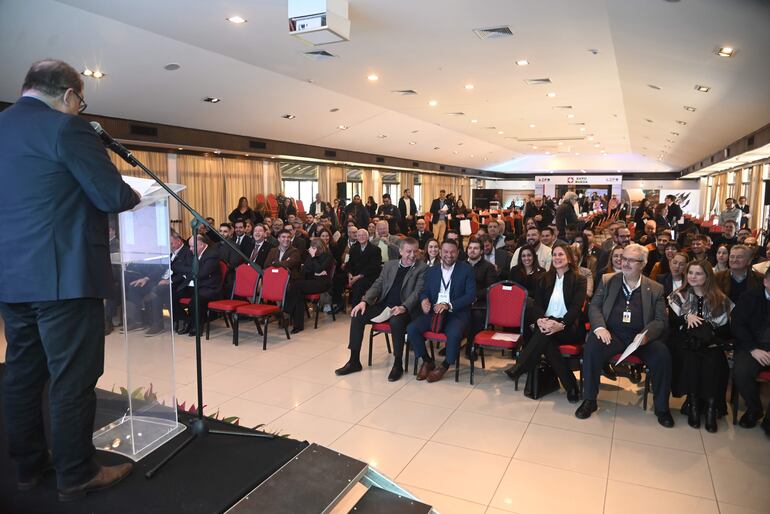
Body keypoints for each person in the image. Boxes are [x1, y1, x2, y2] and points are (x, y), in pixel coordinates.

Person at [0, 59, 140, 499]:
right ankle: (77, 472)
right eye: (80, 100)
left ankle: (28, 466)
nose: (79, 108)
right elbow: (111, 194)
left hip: (10, 276)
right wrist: (136, 192)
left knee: (22, 373)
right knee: (72, 376)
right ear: (68, 95)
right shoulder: (68, 128)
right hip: (65, 277)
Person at [575, 244, 675, 428]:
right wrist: (599, 328)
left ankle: (662, 408)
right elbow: (594, 306)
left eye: (631, 260)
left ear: (643, 264)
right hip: (612, 335)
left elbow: (661, 320)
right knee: (592, 347)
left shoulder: (655, 289)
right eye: (623, 259)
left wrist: (646, 335)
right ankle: (590, 400)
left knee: (662, 355)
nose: (625, 263)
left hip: (641, 338)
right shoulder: (608, 280)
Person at [335, 238, 427, 381]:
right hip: (385, 306)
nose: (412, 255)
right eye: (409, 251)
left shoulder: (422, 268)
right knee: (357, 315)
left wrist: (403, 307)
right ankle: (354, 361)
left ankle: (397, 364)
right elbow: (377, 285)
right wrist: (364, 301)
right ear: (401, 251)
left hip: (405, 309)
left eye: (415, 251)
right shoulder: (390, 265)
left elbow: (418, 292)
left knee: (396, 322)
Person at [505, 243, 587, 403]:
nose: (557, 258)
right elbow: (538, 305)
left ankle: (521, 366)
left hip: (569, 327)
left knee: (543, 335)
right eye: (555, 255)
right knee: (548, 343)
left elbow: (576, 308)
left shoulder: (579, 280)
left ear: (569, 258)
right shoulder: (545, 278)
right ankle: (571, 387)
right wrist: (540, 319)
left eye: (561, 254)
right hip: (547, 323)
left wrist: (561, 324)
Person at [668, 260, 733, 432]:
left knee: (714, 359)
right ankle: (694, 404)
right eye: (690, 273)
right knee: (692, 359)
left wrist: (709, 328)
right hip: (686, 342)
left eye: (698, 273)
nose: (693, 277)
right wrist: (685, 318)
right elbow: (671, 323)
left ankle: (711, 407)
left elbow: (725, 330)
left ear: (707, 276)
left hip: (711, 343)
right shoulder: (678, 295)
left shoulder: (720, 298)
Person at [407, 239, 476, 382]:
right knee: (412, 328)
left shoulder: (466, 269)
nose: (449, 255)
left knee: (454, 334)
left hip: (456, 313)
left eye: (452, 252)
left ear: (457, 253)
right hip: (434, 312)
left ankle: (444, 365)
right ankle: (427, 360)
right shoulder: (432, 271)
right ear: (440, 252)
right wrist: (424, 300)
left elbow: (471, 295)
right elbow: (424, 291)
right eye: (446, 252)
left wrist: (449, 305)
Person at [731, 268, 770, 437]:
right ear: (766, 282)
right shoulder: (749, 297)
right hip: (752, 345)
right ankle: (755, 409)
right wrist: (753, 349)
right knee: (741, 372)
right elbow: (737, 325)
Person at [282, 238, 334, 334]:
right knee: (298, 293)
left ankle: (286, 311)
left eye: (313, 247)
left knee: (296, 286)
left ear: (319, 248)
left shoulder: (327, 256)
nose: (310, 249)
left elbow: (318, 269)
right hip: (310, 281)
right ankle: (298, 325)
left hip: (322, 283)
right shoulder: (310, 256)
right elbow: (305, 270)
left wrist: (314, 259)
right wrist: (315, 271)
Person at [175, 235, 223, 337]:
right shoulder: (193, 252)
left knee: (195, 301)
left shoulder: (212, 254)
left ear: (201, 245)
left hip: (208, 287)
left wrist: (188, 271)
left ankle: (196, 326)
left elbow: (201, 273)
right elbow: (183, 268)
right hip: (194, 284)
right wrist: (189, 271)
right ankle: (187, 321)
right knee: (173, 295)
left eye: (192, 246)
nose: (190, 249)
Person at [465, 239, 498, 350]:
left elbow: (491, 288)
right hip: (462, 300)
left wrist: (474, 296)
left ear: (481, 251)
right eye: (470, 248)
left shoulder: (488, 267)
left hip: (479, 302)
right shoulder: (461, 265)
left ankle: (472, 346)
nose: (472, 251)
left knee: (476, 316)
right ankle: (452, 344)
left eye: (475, 248)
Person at [347, 228, 383, 306]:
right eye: (359, 235)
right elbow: (350, 263)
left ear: (367, 237)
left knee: (359, 284)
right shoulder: (354, 248)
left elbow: (374, 267)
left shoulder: (375, 249)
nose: (361, 237)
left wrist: (358, 277)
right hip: (356, 275)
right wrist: (349, 274)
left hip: (369, 275)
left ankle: (356, 307)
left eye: (363, 235)